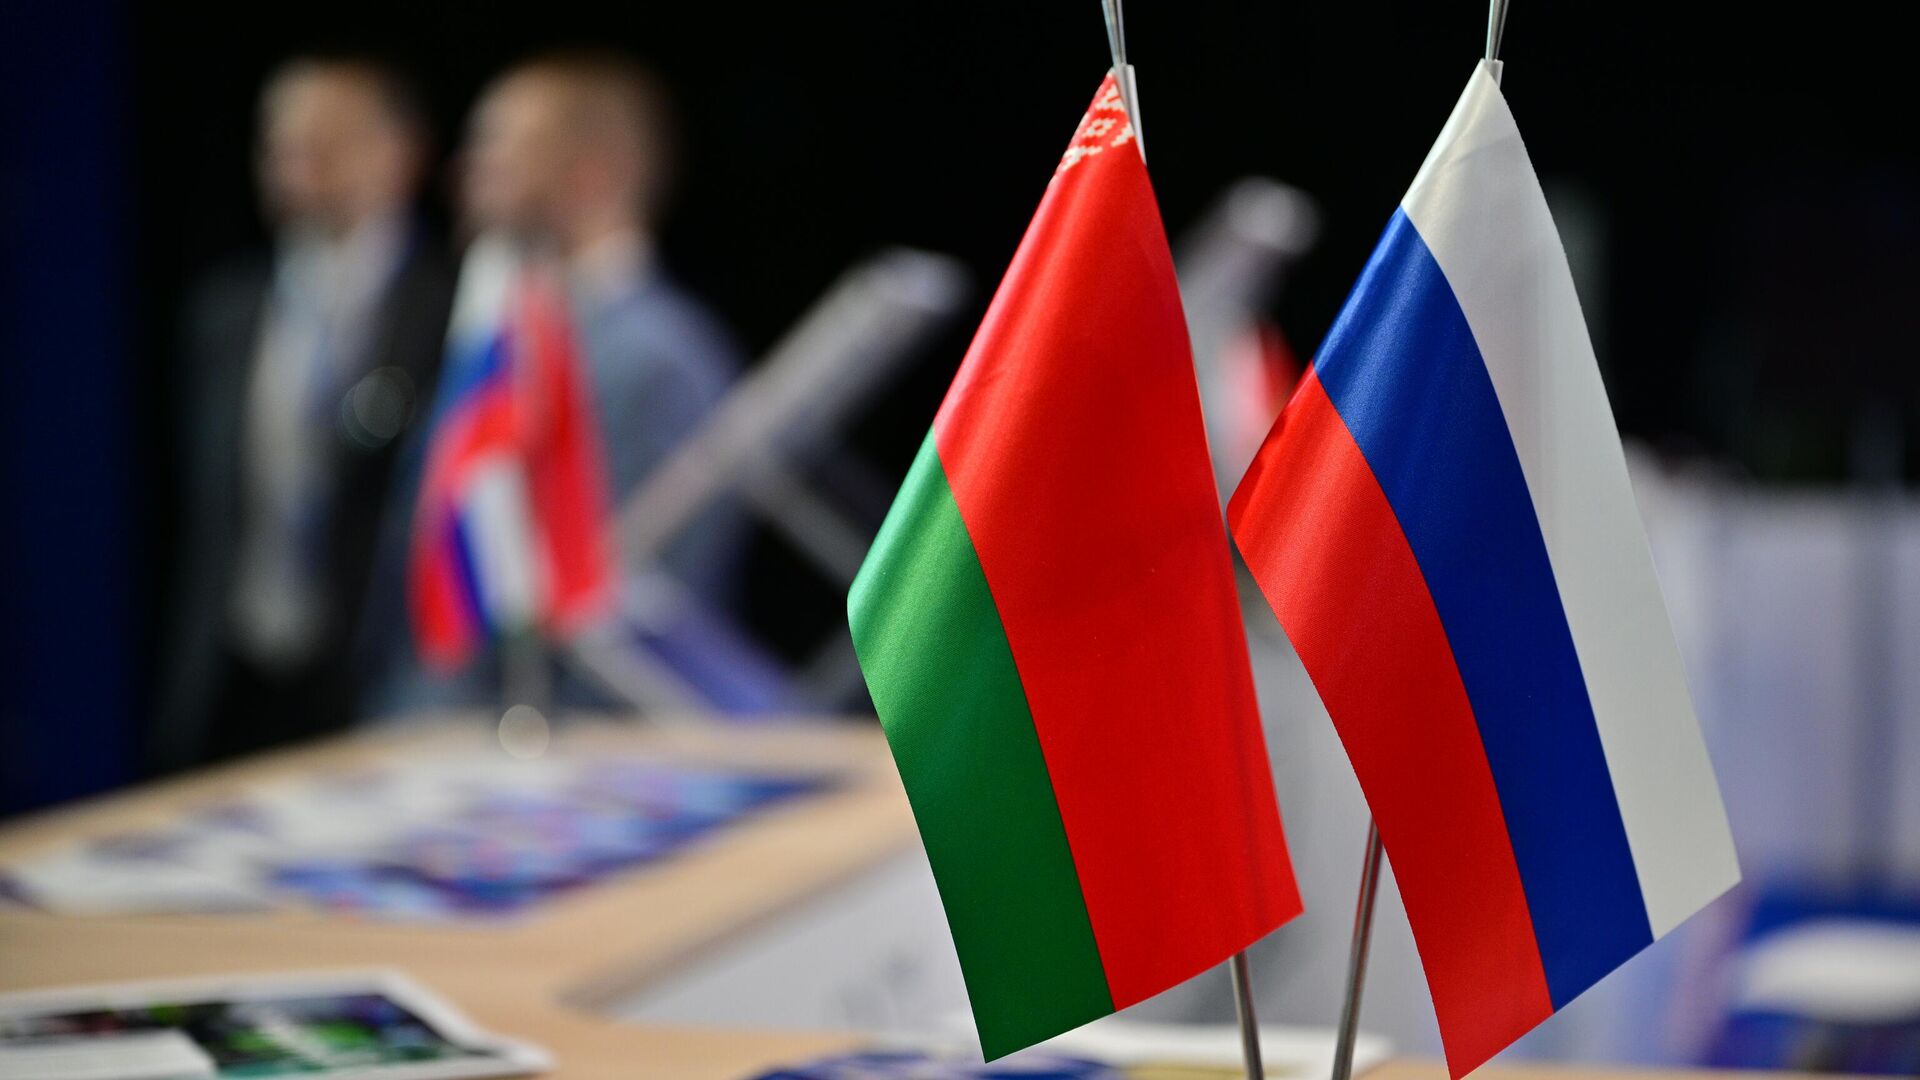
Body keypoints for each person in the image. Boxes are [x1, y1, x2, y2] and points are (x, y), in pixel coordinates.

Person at [154, 57, 454, 769]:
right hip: (233, 678)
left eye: (327, 141)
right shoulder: (224, 310)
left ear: (401, 153)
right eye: (281, 144)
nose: (298, 164)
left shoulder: (458, 312)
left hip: (379, 685)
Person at [460, 49, 743, 598]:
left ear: (589, 175)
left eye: (502, 147)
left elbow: (648, 597)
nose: (474, 169)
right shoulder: (504, 328)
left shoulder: (660, 358)